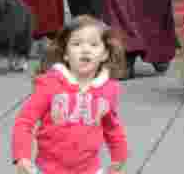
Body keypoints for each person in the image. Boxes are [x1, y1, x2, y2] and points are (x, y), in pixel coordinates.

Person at [11, 15, 128, 174]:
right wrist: (22, 156)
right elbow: (25, 121)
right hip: (49, 169)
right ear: (65, 53)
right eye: (77, 44)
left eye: (94, 44)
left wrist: (119, 156)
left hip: (89, 169)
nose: (85, 49)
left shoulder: (108, 89)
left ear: (104, 54)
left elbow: (112, 126)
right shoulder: (50, 84)